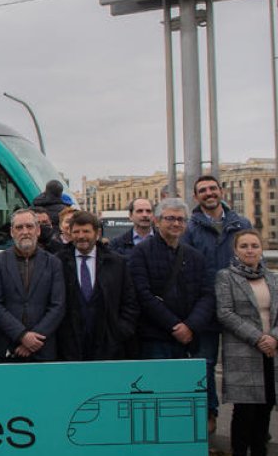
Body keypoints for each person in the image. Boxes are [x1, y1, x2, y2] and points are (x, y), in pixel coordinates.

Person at [216, 229, 278, 456]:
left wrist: (275, 338)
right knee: (244, 409)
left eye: (254, 245)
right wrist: (259, 338)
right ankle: (240, 451)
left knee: (266, 407)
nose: (250, 250)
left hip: (274, 351)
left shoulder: (276, 280)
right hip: (244, 351)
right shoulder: (226, 277)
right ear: (235, 250)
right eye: (244, 246)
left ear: (262, 249)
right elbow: (224, 312)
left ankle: (260, 450)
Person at [185, 174, 254, 427]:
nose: (209, 193)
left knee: (243, 365)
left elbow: (254, 257)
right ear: (196, 197)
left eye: (213, 188)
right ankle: (209, 413)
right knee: (205, 363)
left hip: (239, 306)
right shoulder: (190, 228)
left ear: (221, 191)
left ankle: (246, 419)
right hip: (205, 308)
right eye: (203, 190)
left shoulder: (241, 223)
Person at [130, 198, 215, 368]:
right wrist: (175, 326)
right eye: (170, 218)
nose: (176, 223)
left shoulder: (195, 256)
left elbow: (207, 295)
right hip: (154, 337)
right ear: (157, 221)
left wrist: (190, 326)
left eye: (181, 219)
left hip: (191, 336)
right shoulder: (141, 253)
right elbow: (142, 294)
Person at [56, 211, 139, 361]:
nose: (81, 236)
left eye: (86, 231)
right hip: (69, 347)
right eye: (76, 232)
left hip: (109, 345)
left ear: (97, 233)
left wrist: (120, 331)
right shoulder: (58, 262)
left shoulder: (116, 263)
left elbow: (129, 302)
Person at [0, 209, 66, 362]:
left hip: (42, 347)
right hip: (6, 348)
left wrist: (34, 339)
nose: (25, 232)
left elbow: (58, 305)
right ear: (11, 232)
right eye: (19, 227)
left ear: (38, 230)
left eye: (29, 227)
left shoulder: (53, 263)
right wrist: (21, 335)